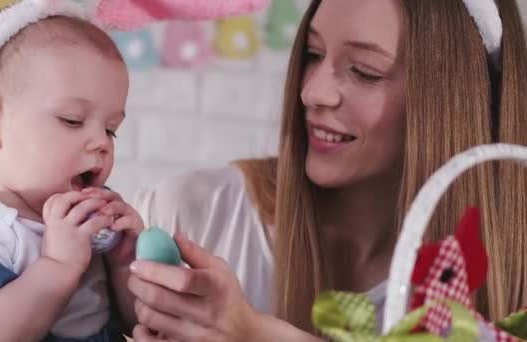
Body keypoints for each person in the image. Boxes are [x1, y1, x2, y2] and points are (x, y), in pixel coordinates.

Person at [129, 0, 527, 340]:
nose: (311, 92)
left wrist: (254, 333)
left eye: (365, 71)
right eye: (313, 54)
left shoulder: (515, 269)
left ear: (451, 106)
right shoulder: (192, 214)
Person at [0, 1, 143, 341]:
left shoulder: (90, 226)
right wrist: (58, 266)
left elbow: (135, 323)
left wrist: (125, 264)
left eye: (111, 129)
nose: (101, 142)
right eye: (72, 120)